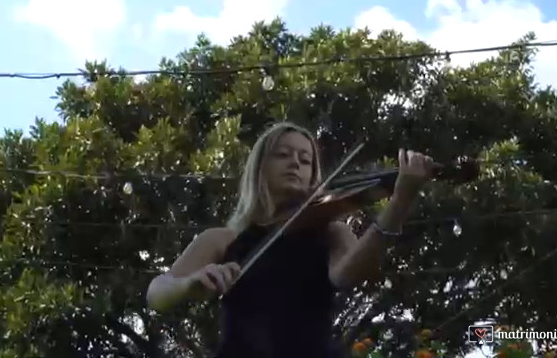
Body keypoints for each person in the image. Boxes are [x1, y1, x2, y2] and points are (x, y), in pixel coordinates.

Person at [146, 121, 435, 358]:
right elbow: (157, 292)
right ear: (260, 167)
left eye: (305, 160)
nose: (295, 163)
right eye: (283, 155)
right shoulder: (222, 239)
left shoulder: (331, 232)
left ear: (313, 174)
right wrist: (188, 283)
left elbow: (350, 275)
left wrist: (399, 203)